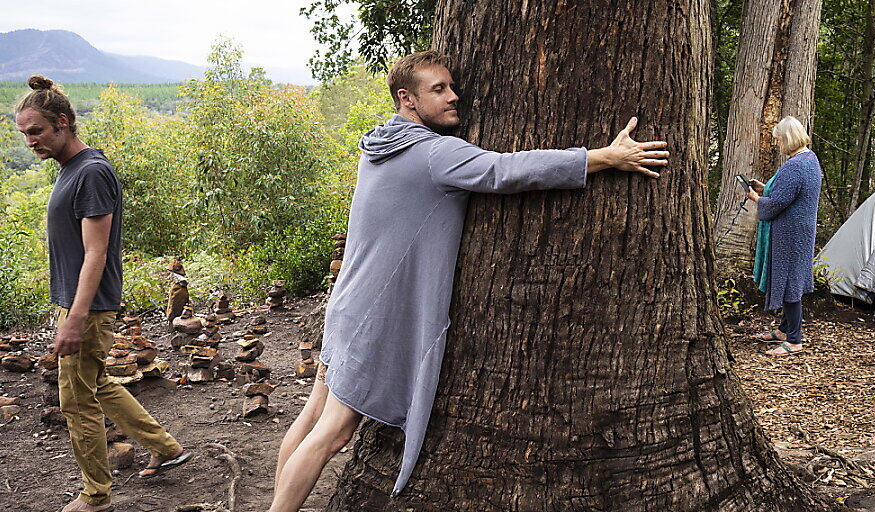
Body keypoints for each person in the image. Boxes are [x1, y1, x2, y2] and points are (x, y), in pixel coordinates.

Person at [270, 51, 670, 511]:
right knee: (333, 432)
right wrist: (604, 156)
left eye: (451, 86)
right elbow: (506, 170)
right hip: (374, 314)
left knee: (312, 416)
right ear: (407, 99)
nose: (453, 96)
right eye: (438, 89)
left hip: (347, 303)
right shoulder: (435, 153)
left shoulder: (379, 144)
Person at [14, 75, 192, 512]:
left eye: (35, 131)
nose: (30, 141)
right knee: (97, 384)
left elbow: (97, 252)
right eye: (23, 134)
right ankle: (166, 447)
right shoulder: (72, 169)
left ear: (62, 122)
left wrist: (75, 317)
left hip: (87, 308)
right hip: (79, 304)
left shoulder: (91, 172)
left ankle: (95, 497)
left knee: (75, 402)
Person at [744, 116, 822, 357]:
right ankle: (784, 330)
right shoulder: (809, 159)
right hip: (799, 231)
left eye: (778, 140)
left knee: (790, 283)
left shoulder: (795, 165)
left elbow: (777, 203)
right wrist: (765, 188)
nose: (777, 145)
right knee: (792, 279)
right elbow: (788, 193)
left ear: (788, 139)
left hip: (790, 234)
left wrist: (757, 199)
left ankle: (795, 340)